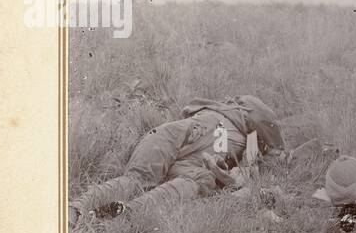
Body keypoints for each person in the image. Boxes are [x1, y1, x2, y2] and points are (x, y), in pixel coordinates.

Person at [70, 95, 285, 225]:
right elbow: (267, 157)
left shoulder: (211, 112)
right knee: (198, 180)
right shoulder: (247, 136)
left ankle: (79, 210)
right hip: (183, 147)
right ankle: (121, 215)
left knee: (136, 179)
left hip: (170, 137)